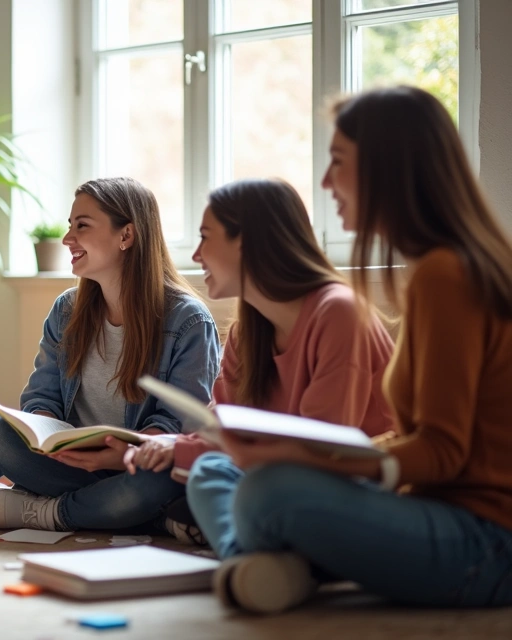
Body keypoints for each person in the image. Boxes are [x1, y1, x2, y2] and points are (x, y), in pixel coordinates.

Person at [187, 86, 512, 613]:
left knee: (268, 493)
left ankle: (265, 563)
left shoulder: (445, 276)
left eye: (338, 161)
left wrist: (301, 458)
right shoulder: (437, 271)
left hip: (487, 541)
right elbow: (417, 440)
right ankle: (276, 567)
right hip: (429, 508)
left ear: (388, 168)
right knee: (223, 475)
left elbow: (442, 451)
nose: (325, 182)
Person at [124, 179, 393, 541]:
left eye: (206, 236)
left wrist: (184, 449)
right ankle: (257, 554)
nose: (196, 254)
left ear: (247, 242)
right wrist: (175, 445)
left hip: (348, 483)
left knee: (257, 487)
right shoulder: (245, 333)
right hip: (278, 478)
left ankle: (249, 547)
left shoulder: (338, 313)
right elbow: (226, 426)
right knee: (209, 474)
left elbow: (321, 451)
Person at [0, 177, 220, 534]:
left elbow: (176, 426)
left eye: (82, 226)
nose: (67, 238)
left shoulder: (188, 321)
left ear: (126, 236)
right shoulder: (66, 310)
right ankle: (147, 517)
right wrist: (44, 437)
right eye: (69, 226)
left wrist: (118, 456)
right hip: (71, 462)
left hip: (134, 465)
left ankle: (47, 512)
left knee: (153, 483)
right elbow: (42, 397)